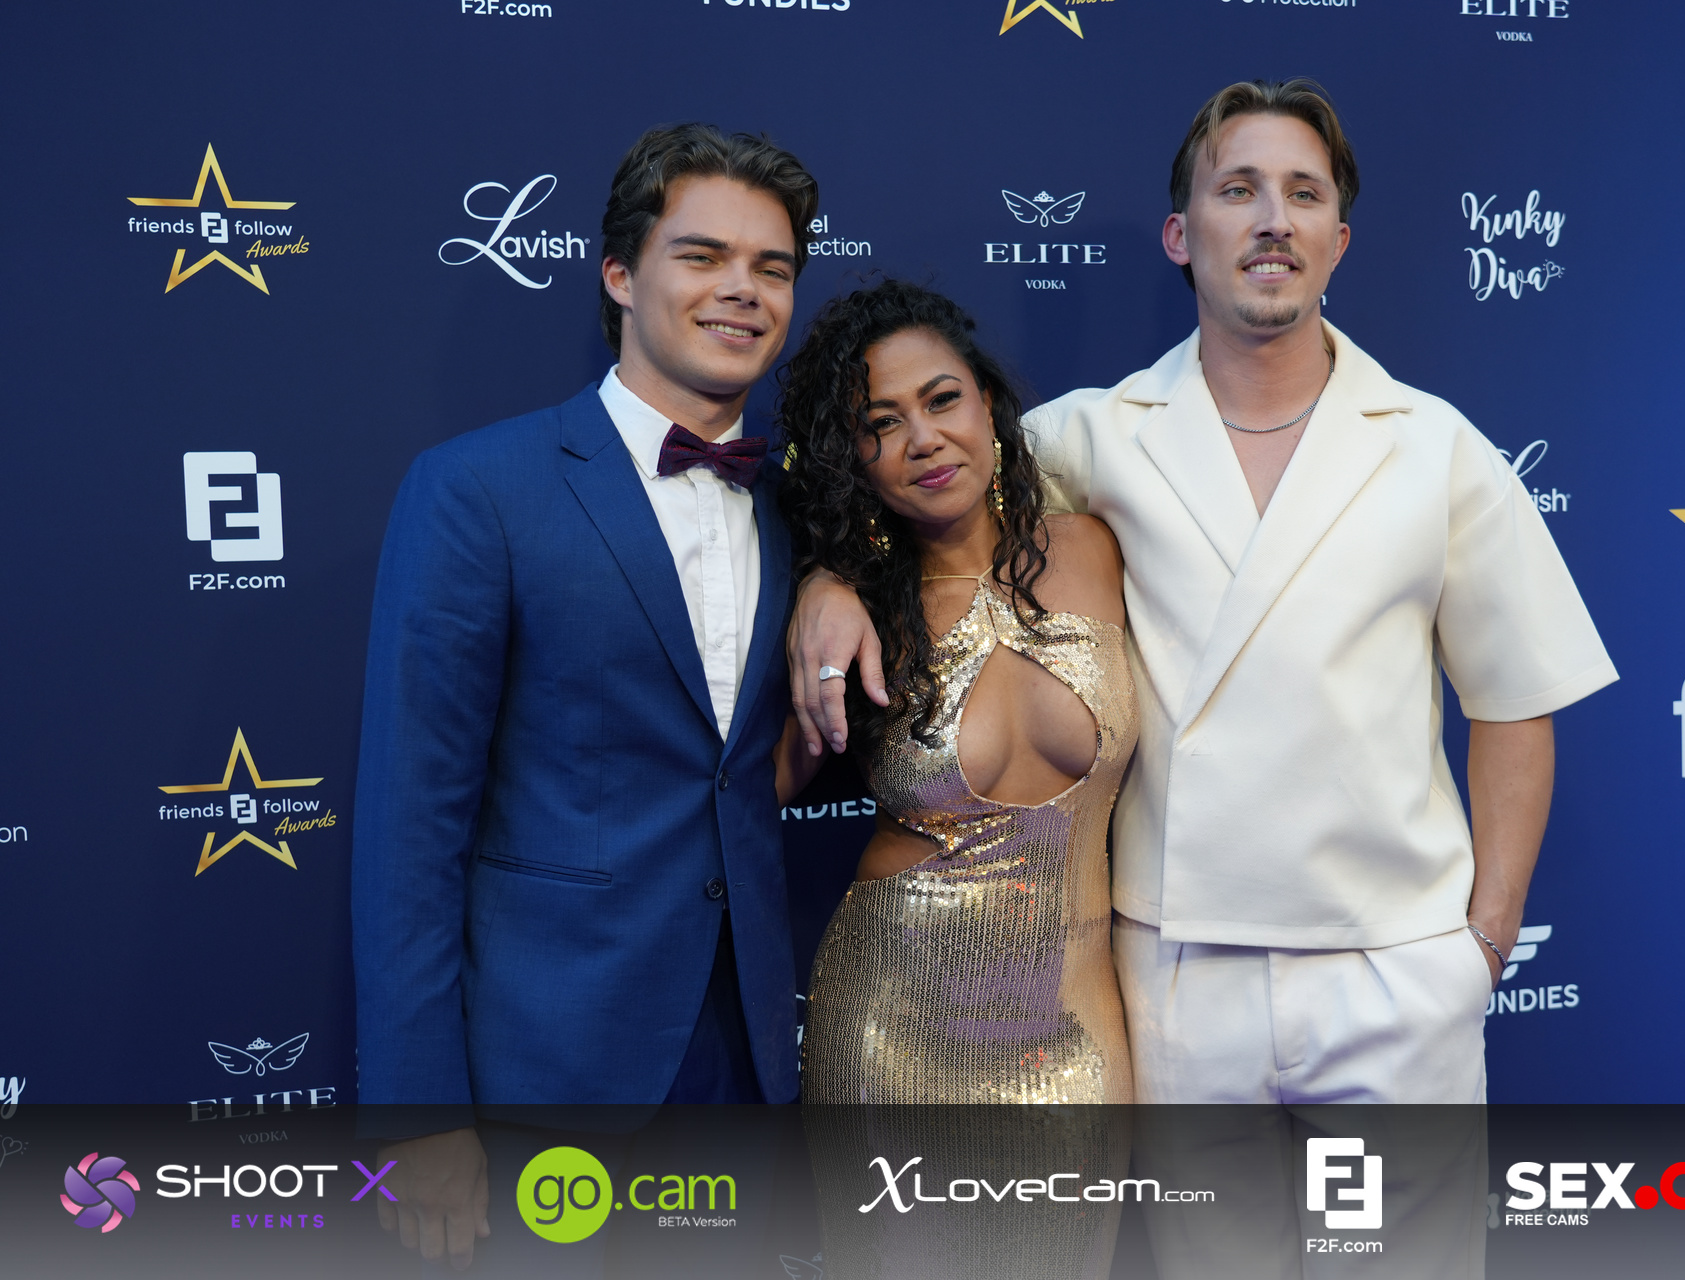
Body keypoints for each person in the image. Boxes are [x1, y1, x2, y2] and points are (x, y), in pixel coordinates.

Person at [792, 78, 1616, 1105]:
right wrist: (827, 578)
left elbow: (1515, 701)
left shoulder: (1438, 447)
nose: (1274, 219)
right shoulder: (1084, 438)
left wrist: (1484, 941)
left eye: (1304, 193)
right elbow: (917, 495)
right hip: (1174, 976)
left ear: (1339, 241)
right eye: (1239, 189)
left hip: (1394, 968)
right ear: (1181, 235)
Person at [351, 123, 816, 1269]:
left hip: (747, 1066)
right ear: (618, 273)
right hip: (545, 1075)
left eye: (771, 267)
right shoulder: (478, 489)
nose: (742, 289)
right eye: (702, 256)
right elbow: (410, 825)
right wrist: (417, 1107)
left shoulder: (803, 507)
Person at [774, 281, 1135, 1276]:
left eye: (941, 400)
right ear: (853, 459)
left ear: (988, 404)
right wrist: (818, 585)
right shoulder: (857, 609)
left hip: (1074, 1031)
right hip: (892, 1029)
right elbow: (755, 790)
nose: (923, 439)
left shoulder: (1100, 548)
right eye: (880, 424)